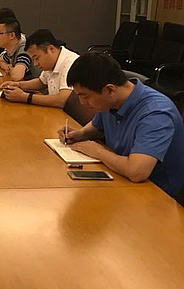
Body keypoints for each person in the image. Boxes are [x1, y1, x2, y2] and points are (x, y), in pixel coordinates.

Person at [59, 53, 184, 201]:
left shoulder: (156, 113)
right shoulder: (111, 101)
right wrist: (81, 134)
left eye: (85, 96)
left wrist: (98, 151)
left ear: (110, 90)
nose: (82, 102)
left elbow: (137, 172)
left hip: (157, 195)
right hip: (121, 178)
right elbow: (98, 127)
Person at [0, 29, 78, 108]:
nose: (35, 64)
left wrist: (24, 97)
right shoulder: (52, 63)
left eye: (36, 58)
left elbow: (62, 100)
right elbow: (41, 82)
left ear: (51, 49)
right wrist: (18, 85)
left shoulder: (70, 63)